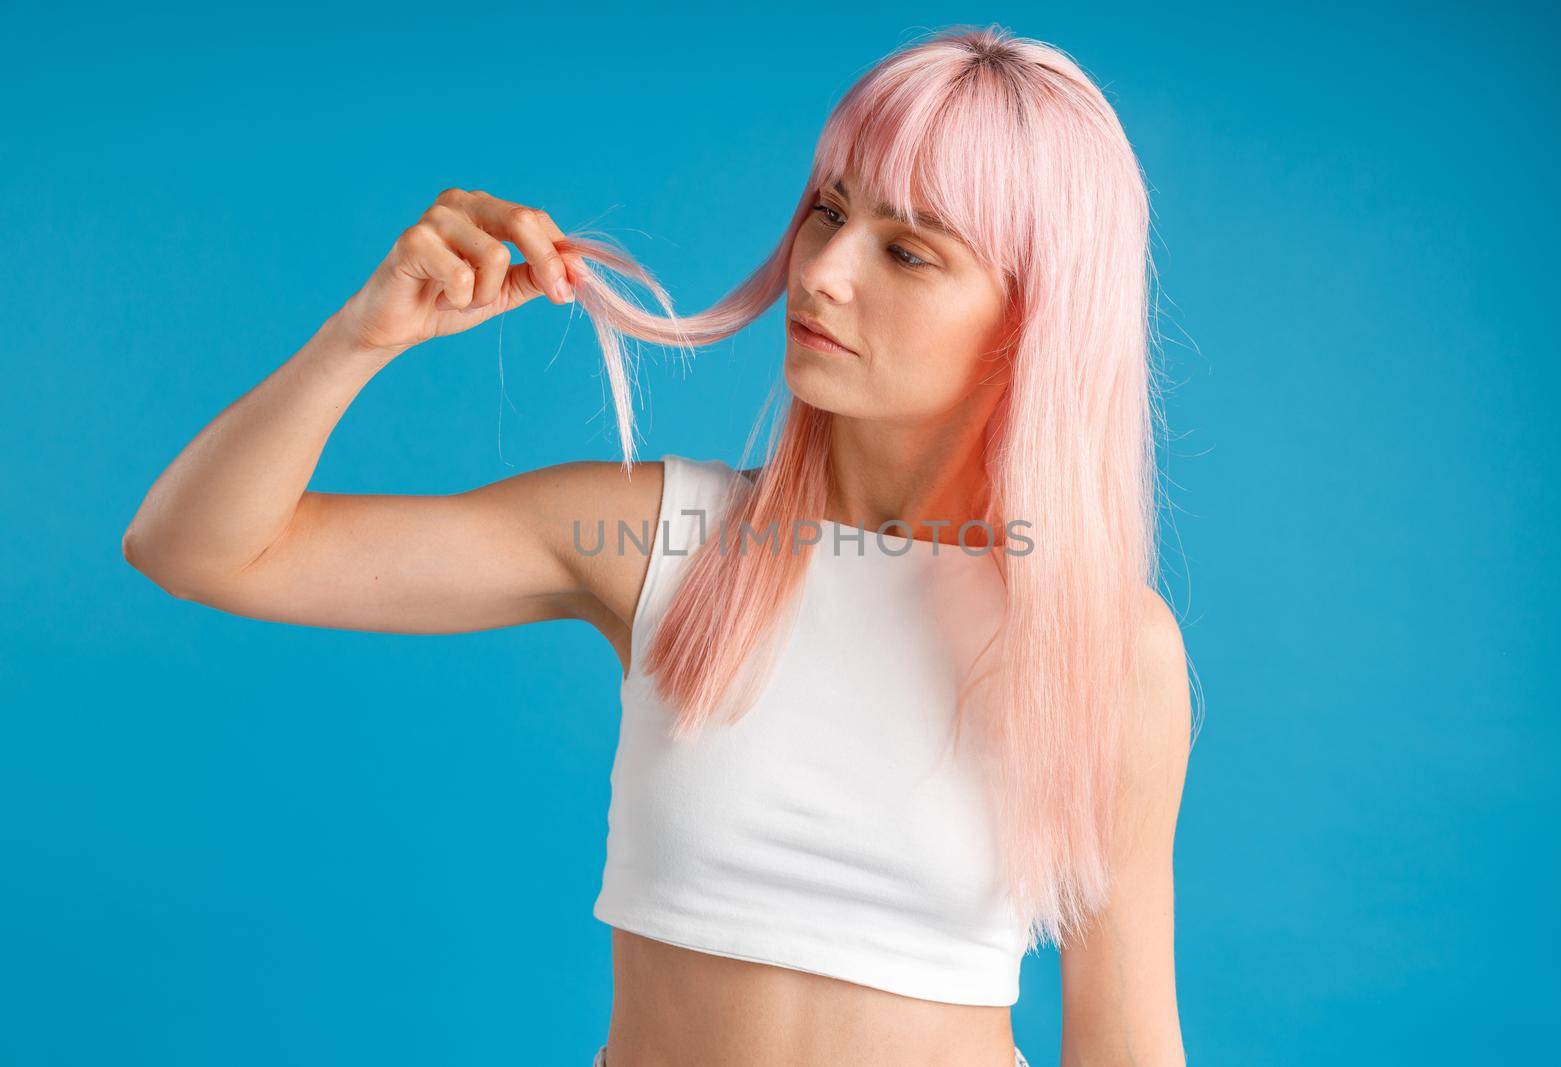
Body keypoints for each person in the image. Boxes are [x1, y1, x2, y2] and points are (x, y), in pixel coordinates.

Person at [122, 23, 1193, 1067]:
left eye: (908, 250)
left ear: (1031, 323)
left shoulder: (1105, 647)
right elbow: (198, 549)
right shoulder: (659, 540)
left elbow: (1126, 1042)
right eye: (827, 210)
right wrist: (363, 335)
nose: (820, 272)